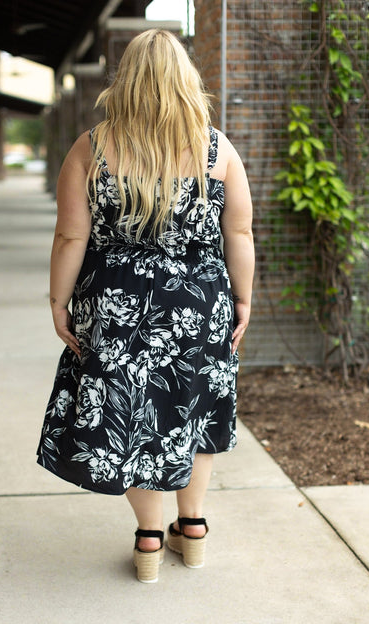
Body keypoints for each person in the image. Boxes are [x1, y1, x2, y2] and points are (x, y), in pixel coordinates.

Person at [36, 29, 254, 583]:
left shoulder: (92, 148)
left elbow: (69, 238)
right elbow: (242, 232)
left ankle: (150, 539)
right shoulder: (216, 147)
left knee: (129, 420)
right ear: (186, 79)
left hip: (118, 308)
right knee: (194, 411)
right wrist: (243, 298)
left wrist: (59, 301)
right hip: (198, 305)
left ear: (124, 80)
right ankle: (194, 525)